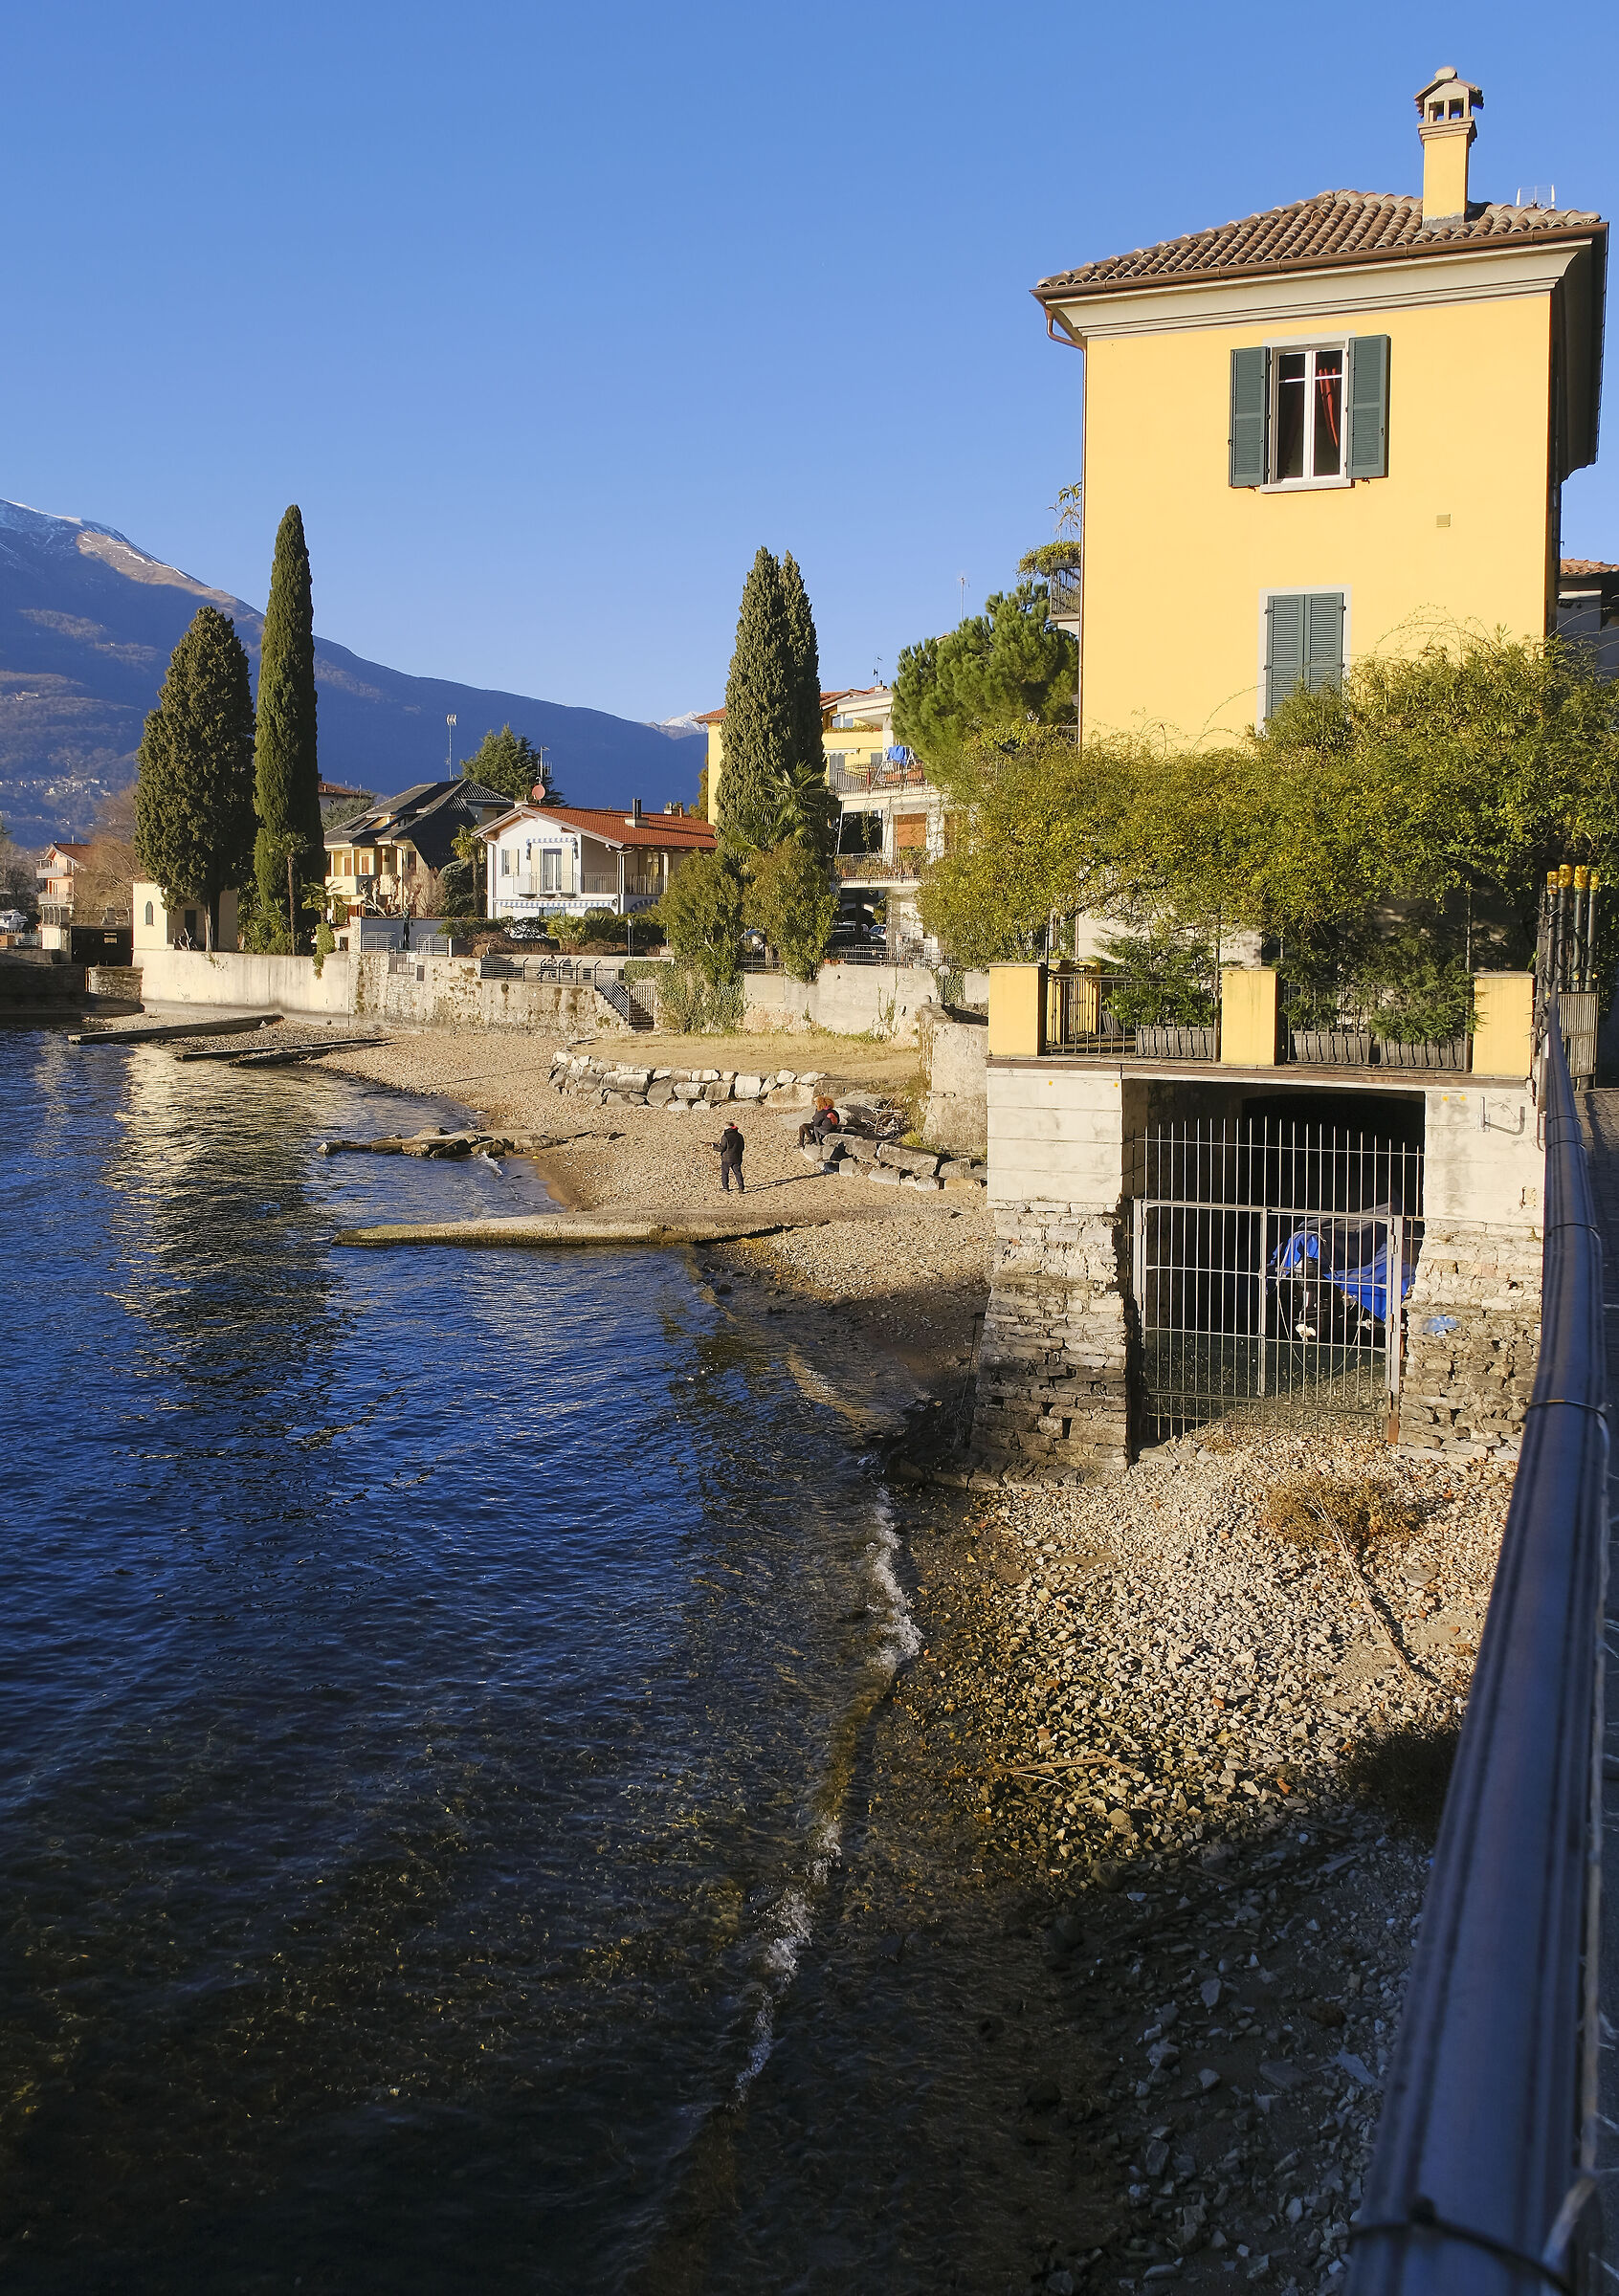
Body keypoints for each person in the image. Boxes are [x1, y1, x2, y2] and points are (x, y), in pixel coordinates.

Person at [713, 1121, 745, 1193]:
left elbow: (722, 1148)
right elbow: (742, 1147)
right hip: (737, 1157)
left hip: (726, 1159)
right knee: (738, 1172)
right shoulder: (740, 1136)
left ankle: (726, 1187)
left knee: (725, 1173)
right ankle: (741, 1188)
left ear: (727, 1128)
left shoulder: (725, 1137)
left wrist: (714, 1147)